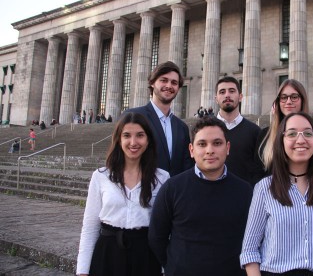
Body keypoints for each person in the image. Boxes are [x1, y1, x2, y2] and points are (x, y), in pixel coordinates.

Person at [240, 112, 313, 275]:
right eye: (292, 133)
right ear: (281, 141)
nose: (301, 140)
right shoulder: (264, 188)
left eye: (308, 133)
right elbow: (249, 251)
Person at [148, 117, 253, 276]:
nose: (209, 150)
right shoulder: (172, 188)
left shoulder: (245, 191)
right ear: (191, 150)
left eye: (217, 143)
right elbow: (157, 237)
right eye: (202, 144)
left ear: (228, 148)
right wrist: (175, 266)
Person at [76, 112, 170, 276]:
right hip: (108, 253)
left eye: (140, 135)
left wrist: (165, 268)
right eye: (127, 135)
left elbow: (165, 230)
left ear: (148, 140)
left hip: (146, 255)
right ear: (119, 139)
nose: (133, 142)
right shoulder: (101, 176)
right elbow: (90, 227)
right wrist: (82, 270)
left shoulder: (162, 178)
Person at [126, 61, 193, 176]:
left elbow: (186, 167)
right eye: (164, 80)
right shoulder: (133, 117)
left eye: (174, 83)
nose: (169, 86)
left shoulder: (182, 127)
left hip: (173, 192)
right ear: (152, 83)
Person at [255, 79, 309, 179]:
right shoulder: (265, 135)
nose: (288, 101)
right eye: (283, 97)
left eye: (294, 97)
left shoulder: (312, 135)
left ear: (302, 100)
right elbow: (257, 174)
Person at [215, 76, 262, 185]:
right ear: (216, 98)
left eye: (232, 91)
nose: (227, 95)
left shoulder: (255, 132)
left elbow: (259, 170)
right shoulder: (205, 130)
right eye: (222, 92)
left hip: (245, 198)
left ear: (240, 97)